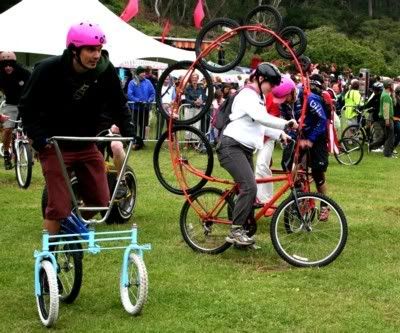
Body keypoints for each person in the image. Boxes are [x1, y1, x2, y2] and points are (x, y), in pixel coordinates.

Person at [19, 22, 135, 235]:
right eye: (91, 50)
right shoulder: (47, 69)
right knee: (58, 207)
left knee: (101, 201)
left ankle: (68, 228)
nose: (96, 55)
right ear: (74, 50)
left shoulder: (104, 70)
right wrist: (38, 137)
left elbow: (118, 103)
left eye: (99, 49)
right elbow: (27, 106)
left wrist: (129, 130)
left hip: (86, 143)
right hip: (54, 145)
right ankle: (48, 260)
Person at [216, 63, 296, 246]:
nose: (273, 89)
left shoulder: (258, 97)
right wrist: (286, 124)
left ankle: (243, 233)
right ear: (260, 79)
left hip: (243, 149)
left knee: (250, 191)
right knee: (250, 187)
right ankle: (236, 231)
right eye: (271, 85)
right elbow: (261, 118)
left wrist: (279, 134)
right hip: (231, 147)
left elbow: (260, 125)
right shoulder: (247, 95)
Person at [278, 74, 330, 221]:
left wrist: (311, 140)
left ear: (292, 92)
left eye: (285, 97)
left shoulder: (310, 98)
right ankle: (299, 196)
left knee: (317, 172)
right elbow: (287, 121)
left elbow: (322, 120)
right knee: (289, 167)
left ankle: (325, 206)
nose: (283, 101)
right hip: (299, 135)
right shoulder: (283, 102)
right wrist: (288, 137)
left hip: (317, 136)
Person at [255, 75, 296, 211]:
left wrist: (279, 133)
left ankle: (266, 200)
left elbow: (270, 121)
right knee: (254, 170)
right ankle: (254, 197)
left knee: (262, 165)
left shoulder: (275, 101)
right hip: (254, 136)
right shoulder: (259, 95)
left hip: (268, 136)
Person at [0, 51, 31, 169]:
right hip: (10, 105)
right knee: (7, 129)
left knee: (30, 128)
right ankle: (7, 154)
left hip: (26, 105)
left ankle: (30, 154)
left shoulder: (24, 73)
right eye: (4, 65)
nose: (7, 67)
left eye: (10, 64)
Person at [127, 66, 155, 141]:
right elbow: (129, 95)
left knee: (143, 125)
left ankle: (142, 140)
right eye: (142, 72)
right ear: (138, 74)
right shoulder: (132, 83)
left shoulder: (148, 82)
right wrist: (137, 100)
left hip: (145, 108)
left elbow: (153, 93)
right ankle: (135, 140)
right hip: (135, 108)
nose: (144, 74)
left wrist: (149, 101)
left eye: (144, 72)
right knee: (135, 125)